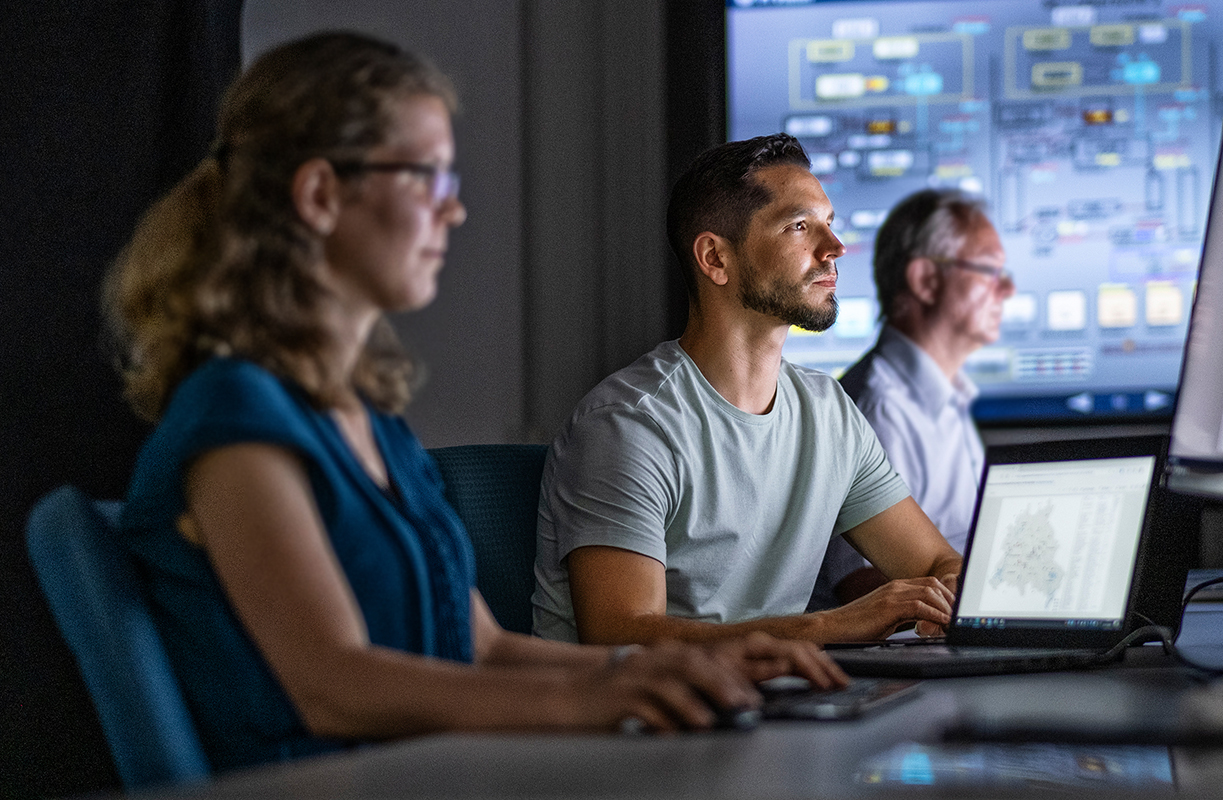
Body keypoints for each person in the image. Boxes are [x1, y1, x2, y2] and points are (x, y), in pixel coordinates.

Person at [106, 33, 842, 773]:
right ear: (322, 194)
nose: (453, 211)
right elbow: (335, 688)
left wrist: (684, 672)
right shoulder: (235, 420)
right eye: (426, 178)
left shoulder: (368, 419)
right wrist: (589, 704)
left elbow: (482, 646)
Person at [532, 134, 964, 646]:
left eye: (830, 224)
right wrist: (828, 626)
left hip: (771, 704)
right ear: (715, 258)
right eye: (800, 226)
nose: (834, 248)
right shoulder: (629, 424)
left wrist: (952, 592)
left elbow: (937, 562)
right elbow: (621, 633)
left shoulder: (828, 412)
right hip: (638, 719)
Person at [815, 190, 1014, 607]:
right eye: (991, 271)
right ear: (926, 280)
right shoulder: (879, 408)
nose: (1008, 288)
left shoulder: (945, 397)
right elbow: (862, 586)